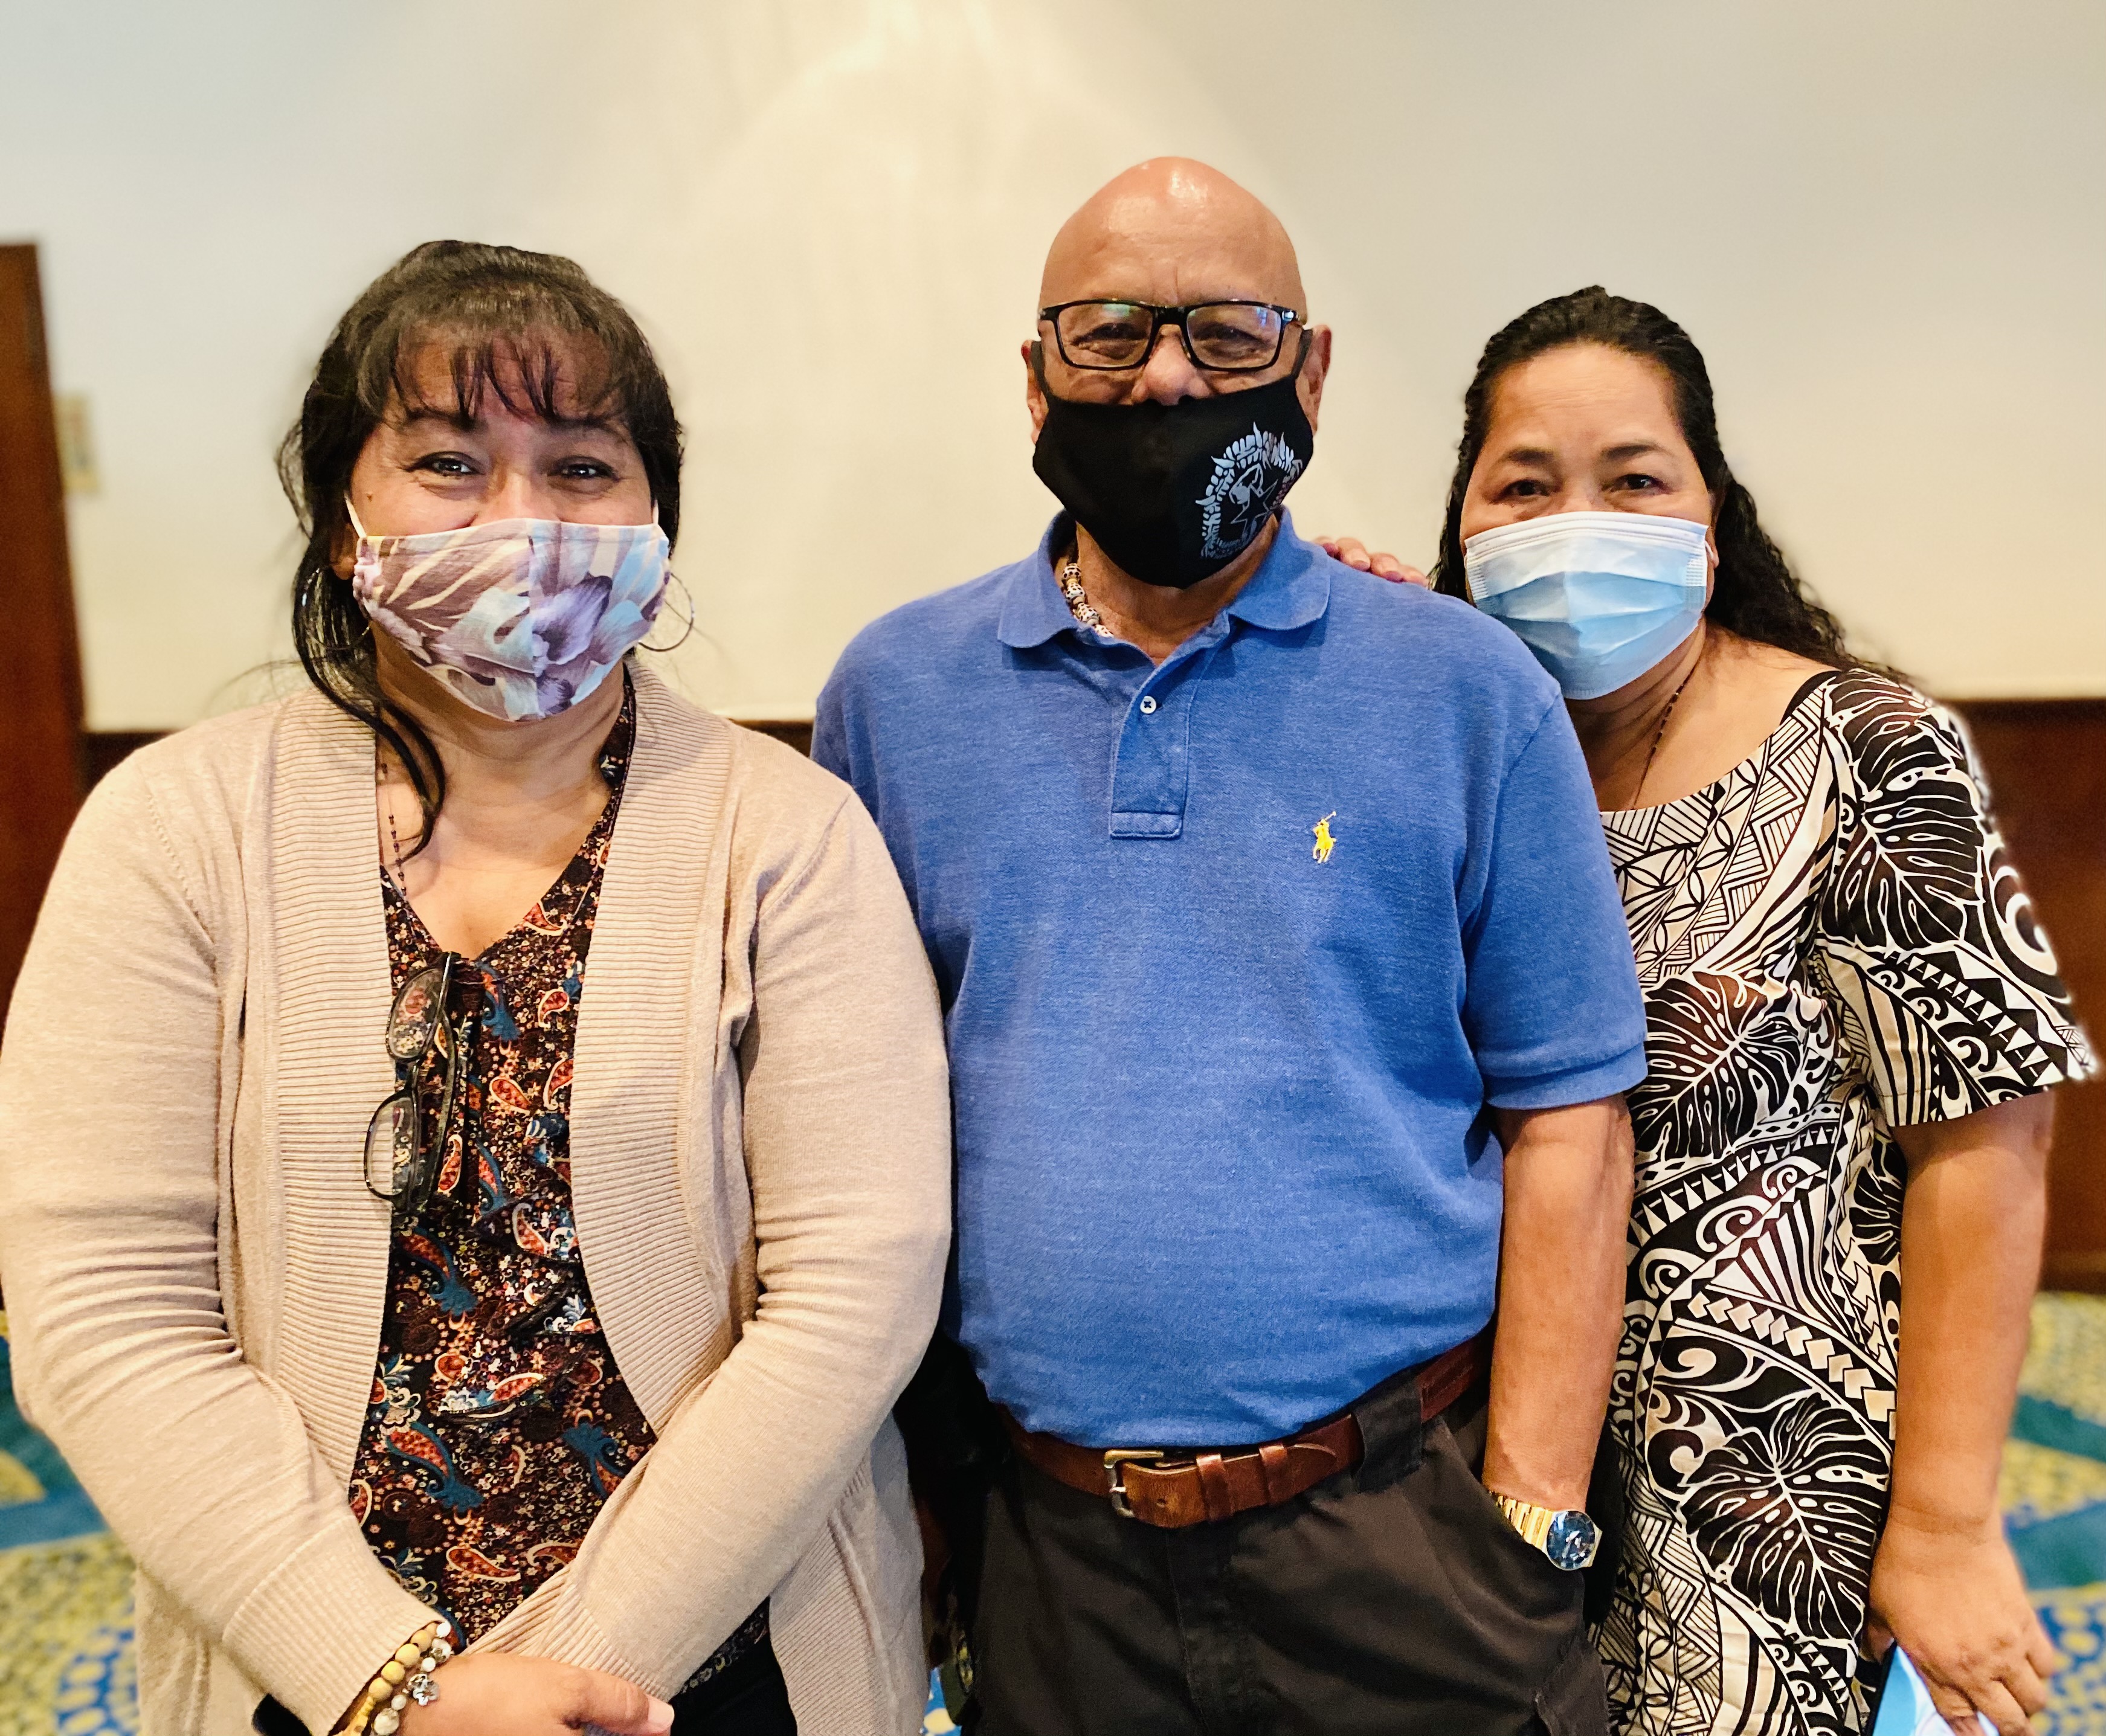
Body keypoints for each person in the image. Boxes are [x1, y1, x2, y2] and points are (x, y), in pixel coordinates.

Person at [0, 242, 950, 1736]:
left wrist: (571, 1677)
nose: (522, 519)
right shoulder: (173, 831)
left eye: (581, 467)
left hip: (722, 1671)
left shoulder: (788, 835)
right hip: (304, 1680)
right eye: (448, 461)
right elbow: (106, 1309)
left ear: (656, 527)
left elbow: (854, 1295)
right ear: (342, 525)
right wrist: (396, 1685)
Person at [816, 159, 1650, 1736]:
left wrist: (1530, 1515)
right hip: (1050, 1553)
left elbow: (1570, 1118)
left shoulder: (1466, 692)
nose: (1167, 379)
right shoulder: (894, 698)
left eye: (1227, 332)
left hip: (1404, 1536)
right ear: (1034, 377)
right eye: (1109, 332)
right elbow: (857, 1124)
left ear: (1309, 370)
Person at [1403, 285, 2091, 1736]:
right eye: (1524, 486)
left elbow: (1983, 1140)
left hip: (1760, 1494)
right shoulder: (1438, 758)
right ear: (1464, 524)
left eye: (1633, 480)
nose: (1577, 523)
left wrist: (1947, 1520)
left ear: (1713, 517)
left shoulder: (1863, 752)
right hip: (1456, 1471)